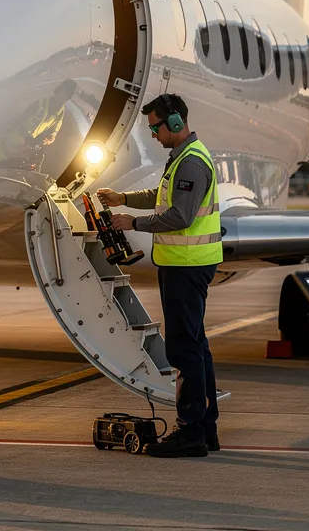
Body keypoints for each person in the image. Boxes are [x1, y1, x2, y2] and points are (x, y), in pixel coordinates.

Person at [98, 92, 222, 458]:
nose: (153, 135)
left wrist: (132, 222)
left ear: (175, 123)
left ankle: (191, 432)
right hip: (185, 264)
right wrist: (124, 198)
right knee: (197, 347)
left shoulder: (192, 163)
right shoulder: (184, 158)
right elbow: (162, 197)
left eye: (155, 128)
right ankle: (206, 428)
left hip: (187, 266)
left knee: (184, 350)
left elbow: (180, 217)